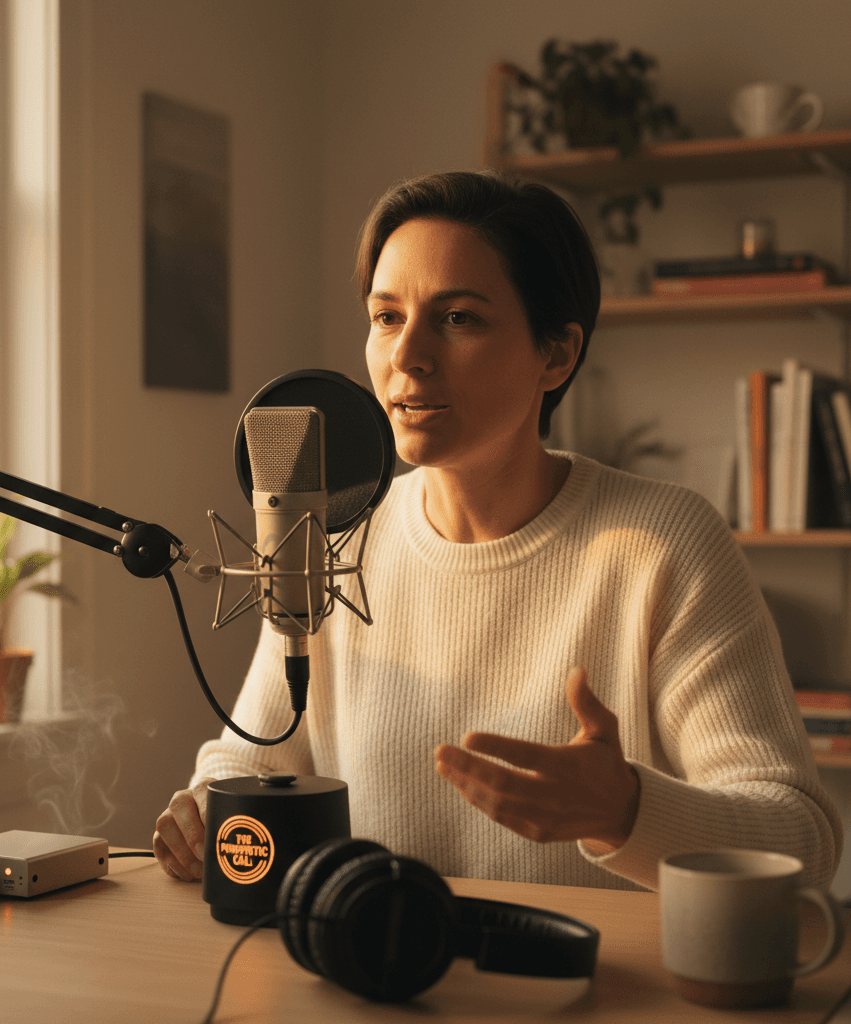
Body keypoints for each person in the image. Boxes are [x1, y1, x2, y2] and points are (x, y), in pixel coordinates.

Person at [154, 170, 842, 892]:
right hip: (376, 986)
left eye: (458, 319)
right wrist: (204, 810)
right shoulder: (330, 537)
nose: (406, 356)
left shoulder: (664, 545)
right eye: (387, 316)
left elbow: (804, 838)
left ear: (557, 354)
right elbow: (249, 763)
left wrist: (628, 810)